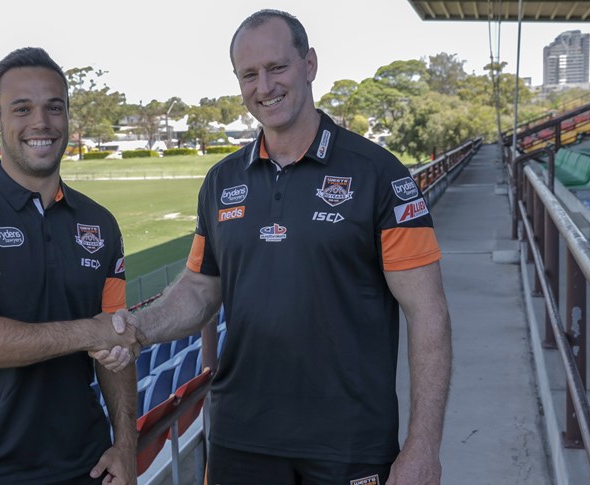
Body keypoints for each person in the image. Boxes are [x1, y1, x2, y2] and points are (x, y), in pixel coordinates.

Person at [94, 9, 452, 485]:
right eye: (249, 74)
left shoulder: (381, 175)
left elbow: (429, 313)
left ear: (309, 64)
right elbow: (200, 290)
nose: (264, 86)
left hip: (349, 441)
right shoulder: (221, 182)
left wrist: (423, 446)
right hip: (241, 439)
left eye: (277, 68)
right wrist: (138, 327)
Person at [0, 47, 141, 485]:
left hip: (90, 465)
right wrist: (89, 331)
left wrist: (126, 445)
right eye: (22, 109)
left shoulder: (98, 223)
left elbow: (115, 345)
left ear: (67, 117)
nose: (41, 122)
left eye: (53, 108)